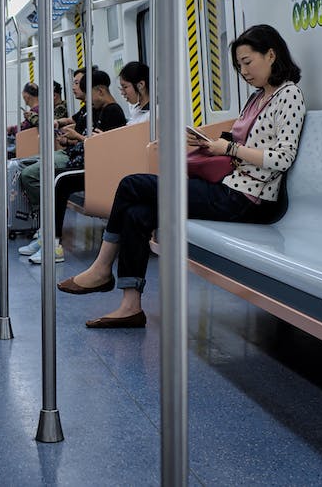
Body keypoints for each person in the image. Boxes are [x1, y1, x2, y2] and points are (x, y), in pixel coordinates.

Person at [57, 24, 306, 328]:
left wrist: (228, 148)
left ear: (271, 54)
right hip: (228, 185)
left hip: (248, 199)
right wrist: (204, 144)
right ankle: (130, 306)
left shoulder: (289, 96)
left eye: (247, 63)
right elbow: (242, 142)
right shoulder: (257, 98)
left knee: (132, 184)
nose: (243, 71)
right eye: (239, 65)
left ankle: (102, 268)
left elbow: (282, 158)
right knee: (138, 212)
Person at [20, 69, 127, 264]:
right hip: (86, 159)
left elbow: (104, 149)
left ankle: (53, 244)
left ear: (100, 90)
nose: (88, 101)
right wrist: (72, 141)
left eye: (89, 95)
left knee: (60, 180)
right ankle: (47, 238)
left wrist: (77, 138)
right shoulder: (98, 109)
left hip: (97, 165)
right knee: (55, 178)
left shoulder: (113, 112)